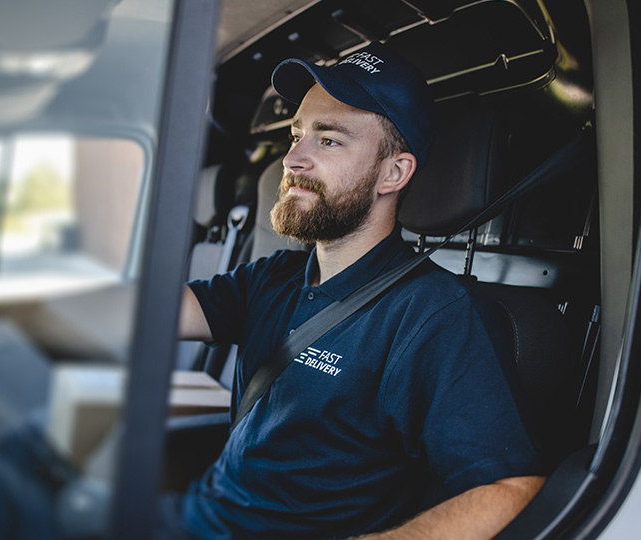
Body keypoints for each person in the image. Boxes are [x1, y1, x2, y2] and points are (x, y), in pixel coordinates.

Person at [174, 41, 545, 540]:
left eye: (328, 141)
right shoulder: (277, 274)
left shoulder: (433, 315)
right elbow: (159, 314)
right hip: (193, 518)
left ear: (393, 173)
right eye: (297, 134)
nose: (293, 160)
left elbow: (509, 487)